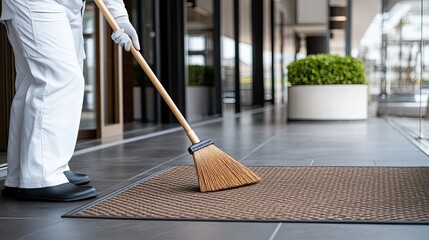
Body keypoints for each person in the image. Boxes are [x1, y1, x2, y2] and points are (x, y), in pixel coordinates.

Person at [0, 0, 140, 201]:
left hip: (69, 6)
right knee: (59, 79)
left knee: (32, 82)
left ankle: (21, 174)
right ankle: (41, 176)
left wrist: (119, 17)